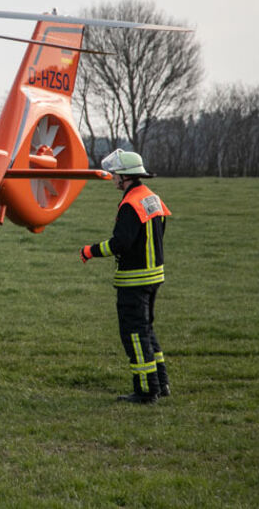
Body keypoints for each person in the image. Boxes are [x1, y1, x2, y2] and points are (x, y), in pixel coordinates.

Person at [80, 149, 172, 404]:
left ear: (126, 177)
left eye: (115, 175)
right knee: (147, 330)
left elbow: (120, 243)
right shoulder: (151, 197)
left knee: (134, 333)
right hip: (154, 276)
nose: (112, 179)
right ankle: (161, 382)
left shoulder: (130, 204)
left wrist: (91, 250)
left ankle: (145, 390)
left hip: (135, 281)